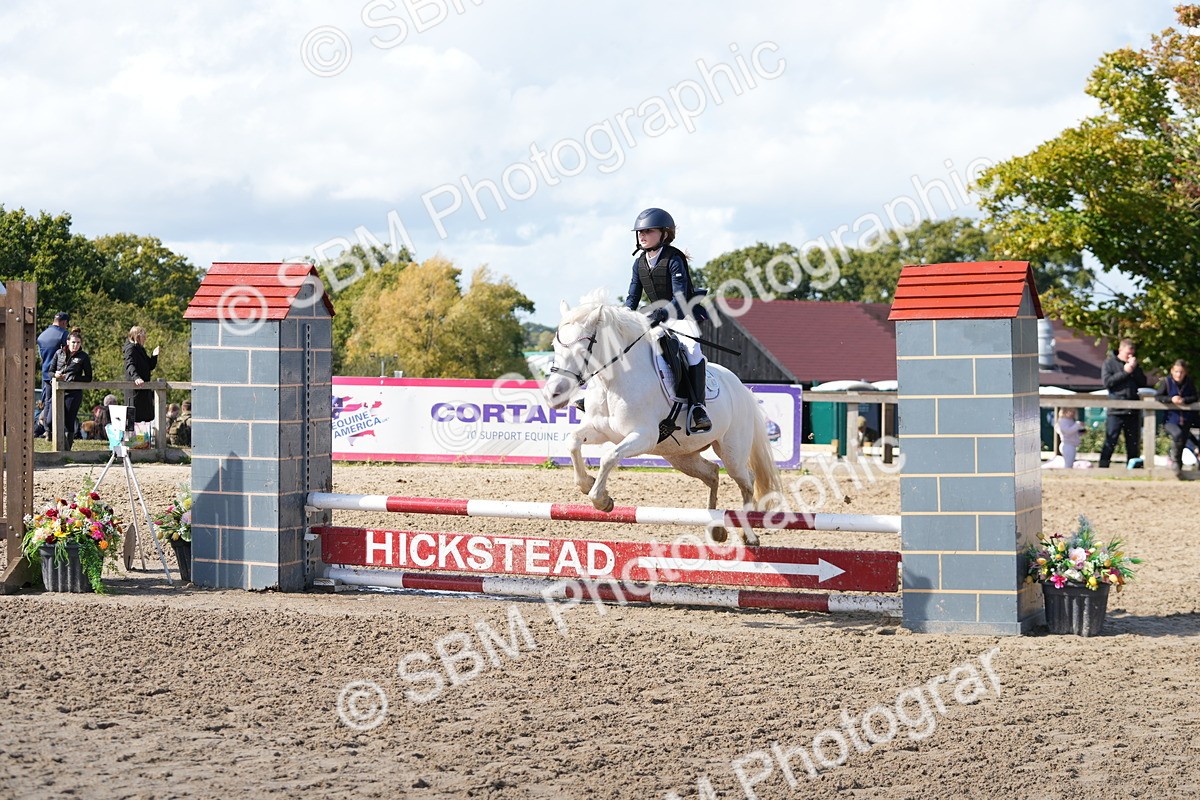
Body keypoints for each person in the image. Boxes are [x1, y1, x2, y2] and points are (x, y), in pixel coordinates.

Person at [623, 207, 712, 432]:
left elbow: (680, 298)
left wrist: (661, 313)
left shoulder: (674, 258)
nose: (642, 235)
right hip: (653, 318)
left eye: (648, 231)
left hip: (680, 315)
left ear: (664, 233)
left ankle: (698, 407)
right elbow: (632, 298)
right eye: (639, 232)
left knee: (692, 349)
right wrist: (622, 320)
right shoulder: (639, 263)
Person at [1098, 338, 1146, 468]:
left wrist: (1133, 369)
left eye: (1132, 353)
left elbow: (1143, 382)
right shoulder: (1109, 363)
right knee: (1111, 440)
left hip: (1133, 409)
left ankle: (1134, 469)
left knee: (1133, 442)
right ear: (1120, 350)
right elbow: (1108, 383)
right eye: (1127, 353)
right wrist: (1125, 372)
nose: (1130, 356)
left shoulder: (1135, 365)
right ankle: (1103, 467)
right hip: (1116, 410)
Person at [1156, 359, 1199, 478]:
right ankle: (1174, 460)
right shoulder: (1167, 382)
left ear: (1185, 372)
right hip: (1170, 419)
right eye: (1176, 372)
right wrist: (1171, 399)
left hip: (1185, 419)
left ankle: (1178, 471)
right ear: (1172, 371)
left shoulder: (1188, 383)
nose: (1178, 375)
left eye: (1181, 372)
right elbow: (1158, 396)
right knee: (1177, 435)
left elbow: (1195, 397)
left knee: (1182, 442)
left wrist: (1184, 400)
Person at [52, 328, 92, 451]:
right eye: (73, 342)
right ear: (68, 342)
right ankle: (58, 444)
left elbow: (89, 377)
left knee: (69, 420)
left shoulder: (83, 356)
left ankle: (66, 448)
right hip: (58, 391)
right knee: (51, 419)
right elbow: (49, 371)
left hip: (73, 393)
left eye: (78, 343)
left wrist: (75, 377)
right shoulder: (59, 353)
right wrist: (55, 375)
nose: (75, 345)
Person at [36, 311, 71, 439]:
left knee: (47, 401)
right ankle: (55, 429)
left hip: (46, 374)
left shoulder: (41, 336)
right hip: (60, 374)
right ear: (63, 322)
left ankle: (47, 430)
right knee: (61, 402)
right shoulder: (63, 334)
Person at [123, 326, 159, 423]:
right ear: (137, 336)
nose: (145, 338)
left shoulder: (140, 349)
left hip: (144, 388)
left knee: (146, 417)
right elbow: (129, 365)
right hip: (135, 390)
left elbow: (149, 366)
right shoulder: (130, 349)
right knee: (134, 418)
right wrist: (136, 377)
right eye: (143, 336)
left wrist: (154, 356)